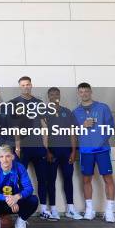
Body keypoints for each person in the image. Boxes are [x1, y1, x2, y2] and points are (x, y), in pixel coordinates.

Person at [72, 82, 115, 222]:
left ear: (91, 92)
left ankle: (109, 211)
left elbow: (111, 127)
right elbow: (72, 132)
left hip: (102, 149)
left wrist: (100, 141)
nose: (84, 94)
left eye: (86, 91)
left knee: (108, 178)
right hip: (85, 151)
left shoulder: (103, 108)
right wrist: (82, 126)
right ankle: (89, 210)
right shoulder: (75, 112)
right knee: (86, 180)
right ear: (78, 94)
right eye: (81, 92)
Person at [9, 76, 50, 220]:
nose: (26, 87)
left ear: (31, 85)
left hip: (38, 146)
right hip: (22, 148)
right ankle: (18, 208)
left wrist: (46, 147)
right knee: (18, 178)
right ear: (20, 86)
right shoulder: (13, 103)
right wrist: (18, 148)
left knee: (42, 178)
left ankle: (44, 209)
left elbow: (44, 126)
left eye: (28, 84)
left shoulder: (39, 103)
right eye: (23, 85)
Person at [45, 87, 82, 220]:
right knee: (51, 180)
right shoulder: (44, 113)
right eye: (51, 94)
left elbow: (73, 132)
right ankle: (53, 209)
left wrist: (73, 151)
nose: (54, 96)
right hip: (52, 152)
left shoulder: (67, 112)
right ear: (48, 97)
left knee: (68, 178)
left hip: (66, 151)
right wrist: (47, 151)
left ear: (59, 96)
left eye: (56, 94)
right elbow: (43, 134)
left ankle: (70, 209)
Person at [0, 144, 39, 228]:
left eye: (8, 156)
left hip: (16, 202)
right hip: (0, 202)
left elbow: (29, 188)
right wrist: (7, 199)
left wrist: (17, 197)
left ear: (13, 157)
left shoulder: (19, 167)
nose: (5, 160)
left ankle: (21, 221)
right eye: (2, 156)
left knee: (33, 200)